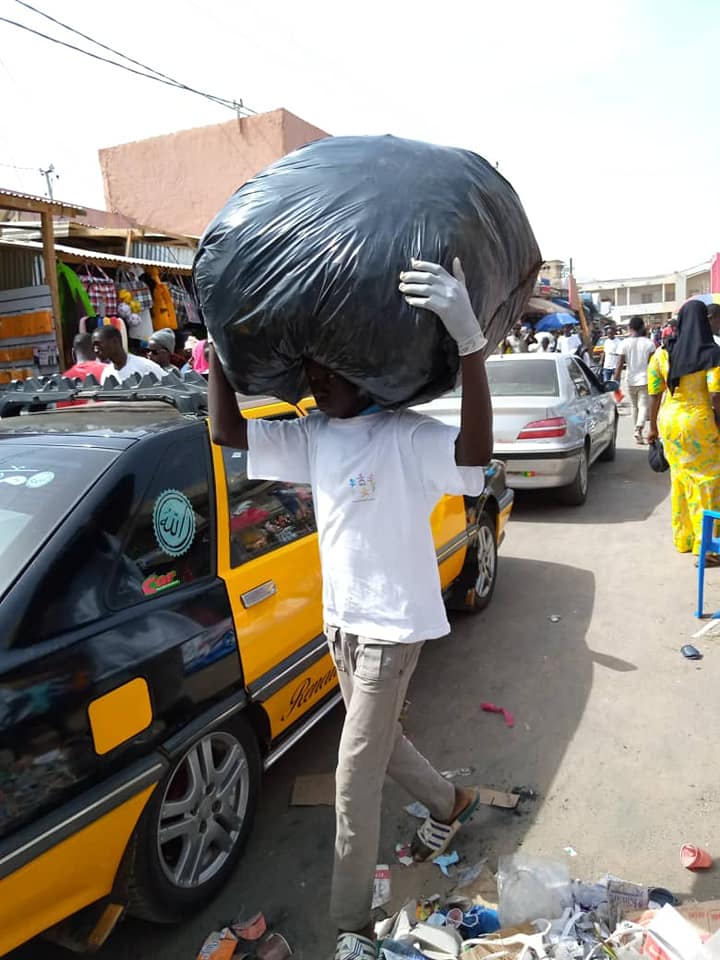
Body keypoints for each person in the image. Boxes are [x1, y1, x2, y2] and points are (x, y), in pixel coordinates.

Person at [209, 258, 492, 960]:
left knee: (352, 773)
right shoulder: (316, 434)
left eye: (327, 375)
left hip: (393, 628)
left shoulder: (404, 435)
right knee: (381, 746)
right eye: (310, 375)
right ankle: (452, 805)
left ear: (364, 373)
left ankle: (351, 929)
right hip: (340, 623)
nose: (313, 383)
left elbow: (476, 454)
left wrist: (470, 343)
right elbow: (227, 432)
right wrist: (217, 345)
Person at [647, 300, 720, 561]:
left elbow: (654, 394)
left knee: (679, 478)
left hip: (670, 420)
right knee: (707, 482)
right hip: (699, 422)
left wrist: (652, 428)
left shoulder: (662, 353)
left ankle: (684, 538)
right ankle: (708, 548)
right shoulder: (711, 353)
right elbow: (715, 396)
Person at [614, 316, 655, 443]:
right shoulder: (649, 344)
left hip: (630, 379)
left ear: (630, 328)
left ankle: (638, 432)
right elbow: (652, 364)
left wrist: (616, 381)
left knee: (635, 406)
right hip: (645, 379)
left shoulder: (624, 343)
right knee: (643, 406)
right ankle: (638, 429)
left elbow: (619, 364)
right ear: (642, 327)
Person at [93, 325, 165, 384]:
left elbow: (170, 385)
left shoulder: (145, 366)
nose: (95, 350)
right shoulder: (106, 373)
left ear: (115, 341)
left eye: (98, 344)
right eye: (93, 346)